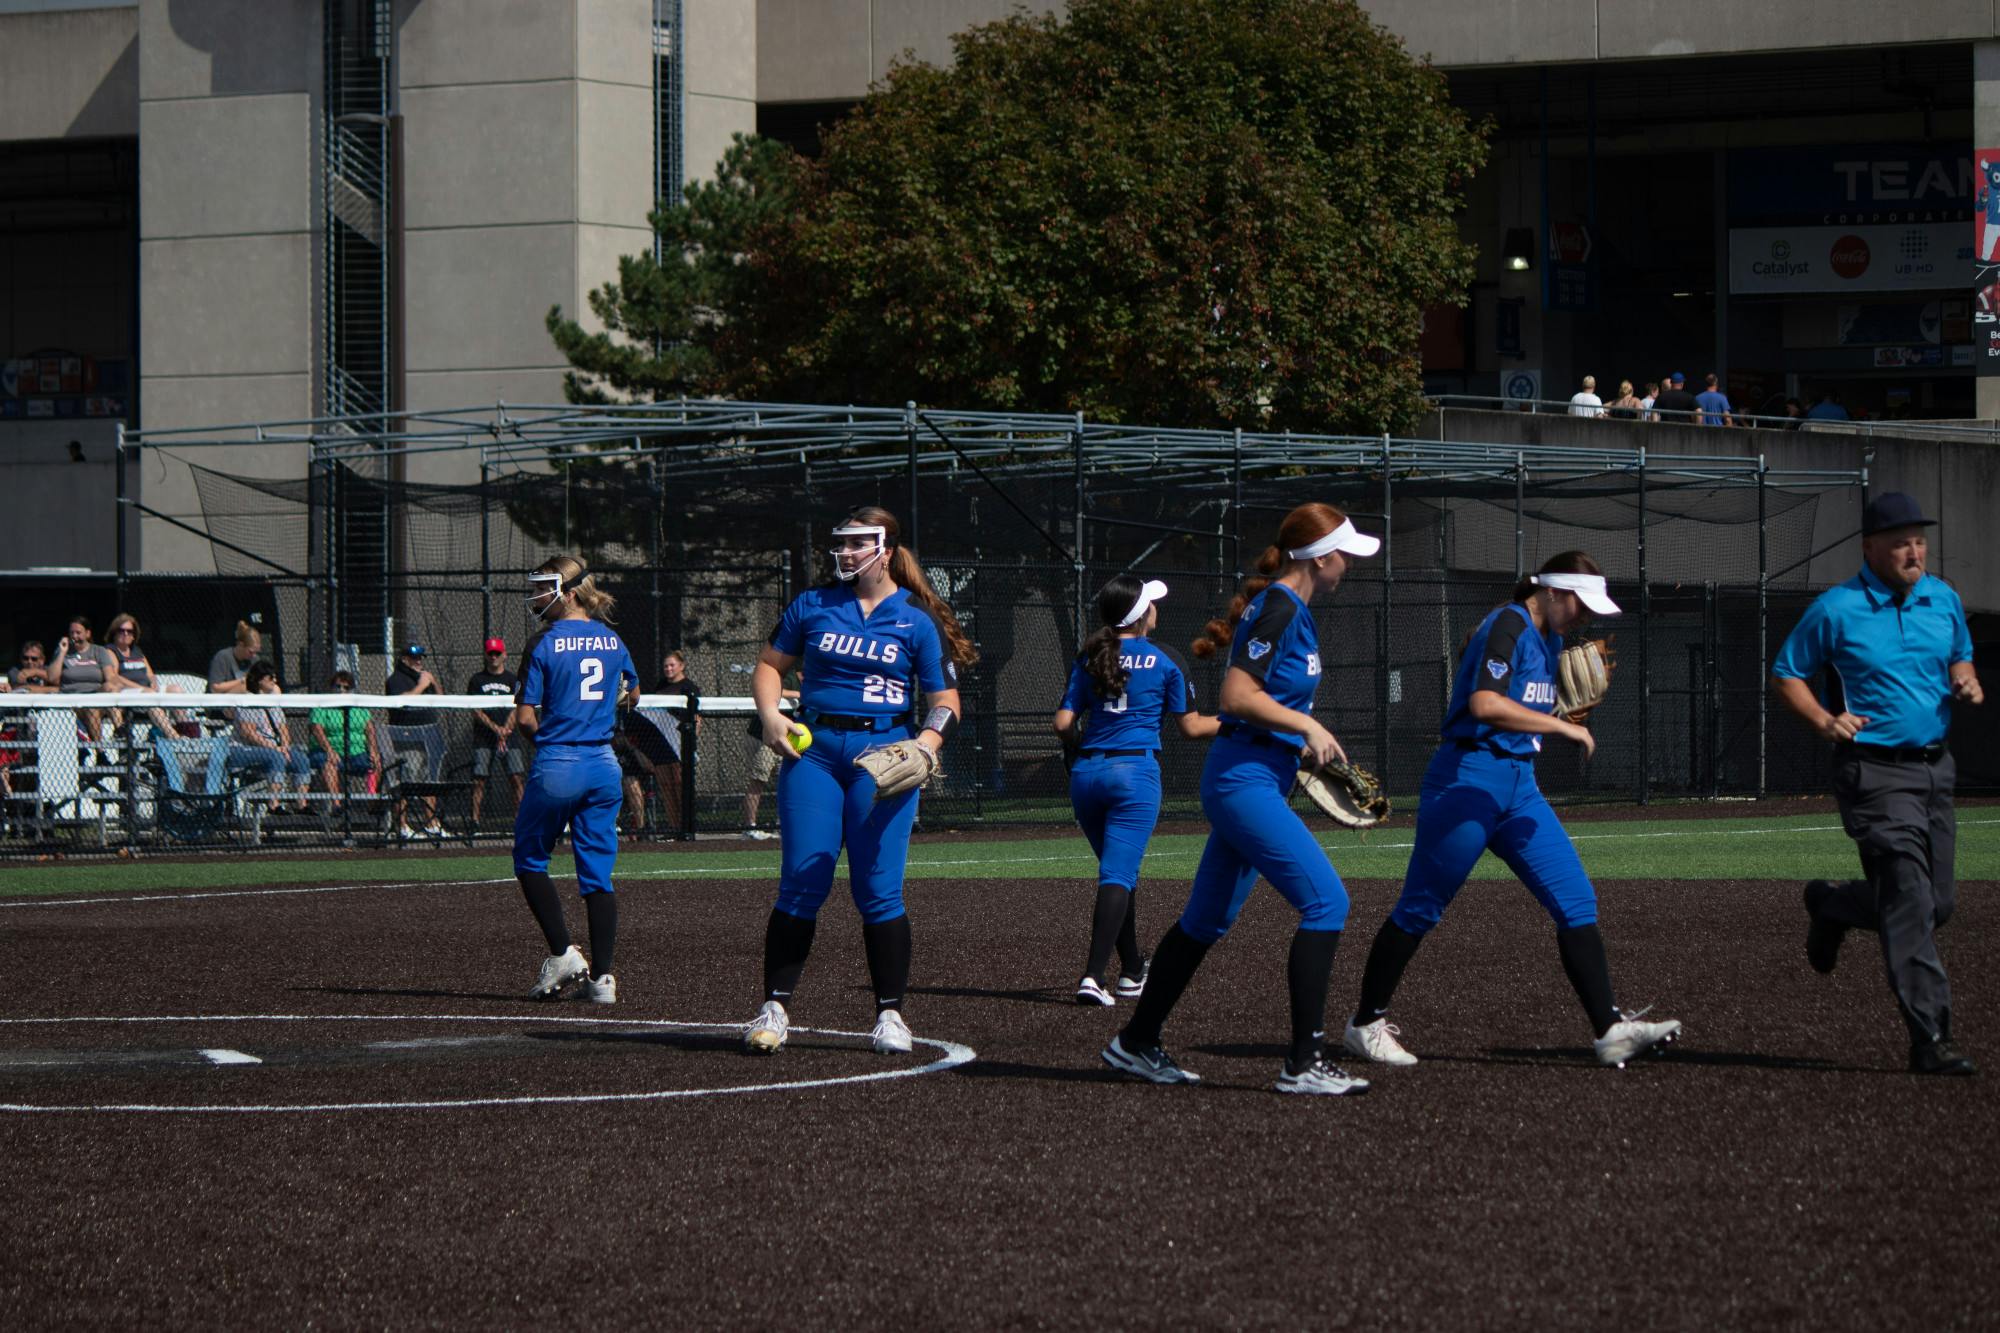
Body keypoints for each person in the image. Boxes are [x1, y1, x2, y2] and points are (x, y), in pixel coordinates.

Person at [1341, 552, 1683, 1071]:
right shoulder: (1509, 623)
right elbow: (1484, 704)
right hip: (1467, 782)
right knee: (1420, 909)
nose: (1586, 616)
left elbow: (1521, 706)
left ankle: (1610, 1030)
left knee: (1576, 900)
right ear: (1550, 591)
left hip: (1519, 786)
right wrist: (1563, 727)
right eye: (1580, 603)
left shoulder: (1549, 640)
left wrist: (1558, 711)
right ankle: (1365, 1023)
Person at [1102, 503, 1379, 1096]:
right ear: (1322, 557)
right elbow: (1235, 696)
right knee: (1327, 904)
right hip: (1243, 782)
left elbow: (1262, 703)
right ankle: (1303, 1063)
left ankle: (1135, 1042)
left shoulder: (1290, 609)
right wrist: (1307, 727)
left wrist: (1298, 742)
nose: (1349, 565)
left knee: (1205, 920)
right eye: (1346, 555)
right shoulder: (1281, 605)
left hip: (1258, 772)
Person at [742, 506, 972, 1057]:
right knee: (801, 883)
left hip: (883, 756)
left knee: (878, 890)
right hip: (816, 754)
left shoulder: (916, 617)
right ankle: (774, 1007)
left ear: (885, 549)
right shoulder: (813, 604)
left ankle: (891, 1015)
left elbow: (945, 700)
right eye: (839, 544)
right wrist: (772, 714)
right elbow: (770, 664)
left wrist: (926, 744)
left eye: (855, 543)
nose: (843, 552)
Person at [1773, 492, 1982, 1076]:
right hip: (1874, 773)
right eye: (1900, 541)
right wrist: (1823, 720)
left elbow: (1960, 654)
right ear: (1870, 547)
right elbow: (1787, 673)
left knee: (1937, 903)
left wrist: (1964, 678)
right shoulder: (1837, 609)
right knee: (1911, 900)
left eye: (1919, 540)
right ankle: (1930, 1036)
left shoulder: (1943, 598)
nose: (1913, 551)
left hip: (1936, 770)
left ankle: (1835, 906)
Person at [1053, 576, 1218, 1005]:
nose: (1156, 610)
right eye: (1152, 604)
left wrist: (1080, 747)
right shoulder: (1166, 659)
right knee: (1117, 876)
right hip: (1134, 773)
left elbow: (1063, 724)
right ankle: (1093, 977)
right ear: (1142, 616)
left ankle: (1130, 970)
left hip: (1087, 775)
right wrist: (1246, 722)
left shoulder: (1091, 656)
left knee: (1119, 875)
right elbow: (1193, 727)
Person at [516, 554, 639, 1006]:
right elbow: (634, 693)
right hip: (604, 765)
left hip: (559, 761)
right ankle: (603, 979)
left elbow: (526, 718)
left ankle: (562, 953)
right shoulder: (612, 638)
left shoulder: (543, 642)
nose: (535, 597)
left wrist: (551, 744)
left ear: (568, 593)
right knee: (597, 877)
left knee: (529, 859)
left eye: (542, 588)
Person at [226, 660, 315, 811]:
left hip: (274, 749)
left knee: (301, 760)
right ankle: (274, 805)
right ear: (260, 680)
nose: (274, 681)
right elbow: (249, 733)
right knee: (276, 757)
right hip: (243, 749)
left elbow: (283, 728)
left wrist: (285, 747)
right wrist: (274, 748)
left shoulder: (273, 702)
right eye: (270, 678)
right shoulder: (249, 701)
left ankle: (302, 804)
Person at [384, 643, 445, 840]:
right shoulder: (397, 679)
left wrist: (433, 682)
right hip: (407, 738)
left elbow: (442, 699)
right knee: (405, 782)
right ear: (404, 659)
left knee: (430, 782)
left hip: (428, 737)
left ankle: (432, 823)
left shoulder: (423, 678)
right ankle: (402, 826)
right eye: (414, 658)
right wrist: (422, 685)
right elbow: (402, 701)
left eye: (420, 658)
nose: (418, 661)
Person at [465, 636, 524, 825]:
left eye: (497, 653)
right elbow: (475, 710)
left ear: (504, 655)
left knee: (516, 777)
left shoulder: (512, 679)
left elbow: (518, 707)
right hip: (484, 737)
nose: (493, 657)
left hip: (509, 737)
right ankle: (474, 820)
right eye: (490, 654)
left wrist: (505, 729)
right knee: (479, 779)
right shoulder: (476, 680)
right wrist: (495, 728)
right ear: (485, 655)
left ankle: (520, 819)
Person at [47, 615, 124, 744]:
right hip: (72, 700)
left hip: (96, 699)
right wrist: (61, 652)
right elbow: (52, 678)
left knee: (110, 688)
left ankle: (121, 731)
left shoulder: (99, 651)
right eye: (71, 633)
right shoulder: (62, 652)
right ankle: (101, 753)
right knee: (91, 708)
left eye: (78, 633)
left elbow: (110, 677)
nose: (74, 636)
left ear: (87, 634)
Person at [741, 670, 800, 839]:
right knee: (758, 780)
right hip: (763, 738)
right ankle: (750, 827)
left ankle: (783, 824)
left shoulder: (816, 679)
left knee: (787, 781)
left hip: (787, 740)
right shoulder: (789, 676)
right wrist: (798, 694)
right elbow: (773, 691)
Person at [651, 648, 703, 830]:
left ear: (681, 666)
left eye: (672, 665)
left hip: (679, 742)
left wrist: (690, 743)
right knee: (666, 786)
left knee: (680, 785)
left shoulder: (690, 688)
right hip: (661, 743)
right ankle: (674, 828)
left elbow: (697, 719)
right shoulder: (660, 687)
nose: (668, 669)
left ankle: (686, 826)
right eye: (665, 666)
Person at [207, 621, 261, 694]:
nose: (253, 655)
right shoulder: (223, 657)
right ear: (241, 645)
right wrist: (242, 680)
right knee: (244, 687)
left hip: (248, 698)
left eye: (256, 652)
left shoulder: (255, 659)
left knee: (274, 688)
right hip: (222, 700)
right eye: (250, 652)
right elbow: (215, 688)